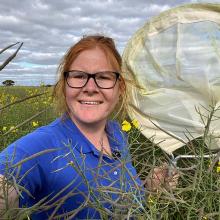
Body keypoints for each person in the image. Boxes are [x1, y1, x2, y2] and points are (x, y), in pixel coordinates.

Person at [0, 35, 146, 219]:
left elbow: (123, 196)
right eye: (79, 76)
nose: (90, 87)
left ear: (120, 87)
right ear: (64, 85)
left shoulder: (117, 133)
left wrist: (150, 187)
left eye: (104, 77)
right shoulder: (41, 145)